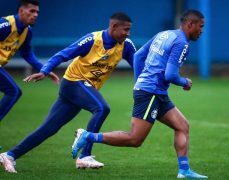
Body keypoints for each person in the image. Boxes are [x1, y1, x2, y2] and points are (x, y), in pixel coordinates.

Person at [71, 9, 208, 179]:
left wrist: (140, 80)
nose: (202, 30)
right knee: (135, 139)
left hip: (155, 91)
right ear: (190, 24)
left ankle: (184, 171)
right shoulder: (182, 43)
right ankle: (87, 136)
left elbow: (138, 56)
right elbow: (170, 75)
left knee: (182, 126)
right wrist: (184, 82)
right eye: (201, 26)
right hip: (151, 92)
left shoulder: (164, 34)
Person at [0, 12, 136, 173]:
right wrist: (44, 71)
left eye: (129, 30)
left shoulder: (126, 45)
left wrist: (145, 84)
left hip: (82, 89)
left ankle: (9, 155)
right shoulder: (92, 40)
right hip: (73, 83)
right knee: (101, 108)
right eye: (125, 29)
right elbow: (63, 54)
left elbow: (139, 66)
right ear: (113, 26)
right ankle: (85, 156)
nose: (127, 33)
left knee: (49, 128)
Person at [0, 0, 59, 152]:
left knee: (13, 92)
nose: (35, 15)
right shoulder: (6, 25)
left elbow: (28, 55)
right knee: (13, 92)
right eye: (32, 11)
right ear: (21, 11)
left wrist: (46, 70)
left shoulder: (27, 31)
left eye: (37, 12)